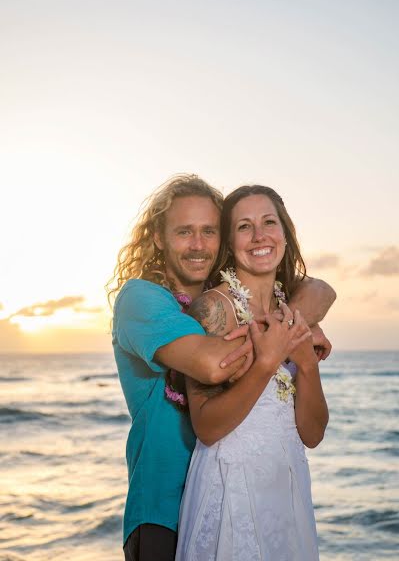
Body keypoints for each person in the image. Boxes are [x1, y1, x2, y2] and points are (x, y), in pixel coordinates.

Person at [108, 175, 335, 561]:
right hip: (166, 504)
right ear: (159, 238)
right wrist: (289, 333)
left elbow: (321, 289)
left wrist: (298, 338)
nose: (199, 245)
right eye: (184, 232)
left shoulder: (263, 300)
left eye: (209, 231)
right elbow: (215, 365)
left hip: (277, 493)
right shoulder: (142, 299)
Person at [175, 185, 329, 560]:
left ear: (284, 233)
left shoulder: (293, 311)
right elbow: (208, 429)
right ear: (230, 242)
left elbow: (312, 434)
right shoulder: (212, 310)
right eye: (244, 227)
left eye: (268, 222)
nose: (260, 236)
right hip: (231, 487)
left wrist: (306, 363)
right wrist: (265, 363)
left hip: (287, 487)